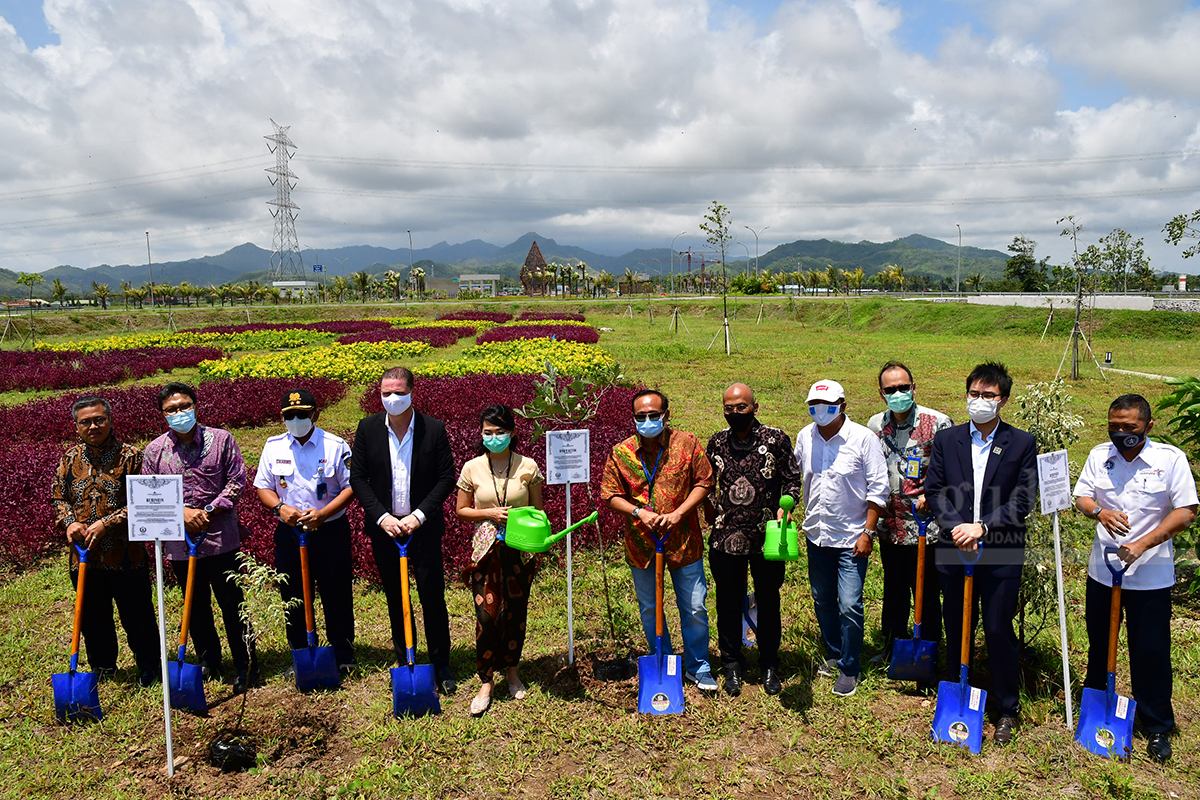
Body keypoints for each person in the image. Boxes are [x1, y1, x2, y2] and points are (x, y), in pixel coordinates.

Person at [1072, 394, 1197, 763]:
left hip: (1150, 576)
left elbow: (1186, 511)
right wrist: (1100, 512)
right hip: (1103, 573)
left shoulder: (1169, 460)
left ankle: (1156, 725)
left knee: (1151, 651)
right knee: (1099, 644)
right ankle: (1096, 710)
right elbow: (1082, 496)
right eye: (1114, 427)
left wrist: (1143, 543)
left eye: (1130, 428)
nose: (1121, 434)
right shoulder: (1099, 455)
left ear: (1148, 426)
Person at [924, 361, 1037, 744]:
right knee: (956, 623)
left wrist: (983, 527)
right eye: (974, 394)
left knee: (997, 627)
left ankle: (1006, 708)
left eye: (988, 395)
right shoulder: (947, 439)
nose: (980, 401)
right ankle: (957, 691)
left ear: (1003, 400)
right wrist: (958, 527)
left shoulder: (1021, 443)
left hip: (1000, 549)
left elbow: (1023, 497)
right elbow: (936, 489)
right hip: (955, 546)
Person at [349, 366, 458, 694]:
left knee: (431, 596)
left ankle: (441, 663)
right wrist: (383, 518)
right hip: (386, 528)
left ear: (412, 392)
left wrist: (419, 516)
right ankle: (404, 657)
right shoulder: (367, 429)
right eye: (386, 393)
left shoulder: (433, 429)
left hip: (421, 528)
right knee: (397, 598)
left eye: (398, 392)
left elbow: (445, 479)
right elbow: (358, 479)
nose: (392, 398)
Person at [143, 382, 257, 694]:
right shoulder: (155, 452)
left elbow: (236, 481)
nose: (179, 413)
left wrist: (208, 509)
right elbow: (150, 495)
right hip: (180, 544)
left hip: (221, 538)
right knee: (195, 605)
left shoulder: (221, 440)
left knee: (233, 604)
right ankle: (209, 660)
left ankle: (246, 663)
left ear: (195, 406)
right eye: (171, 410)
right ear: (162, 414)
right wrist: (181, 513)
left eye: (184, 406)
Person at [601, 389, 718, 692]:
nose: (648, 420)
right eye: (641, 416)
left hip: (683, 541)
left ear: (667, 414)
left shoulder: (687, 444)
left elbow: (705, 482)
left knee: (694, 607)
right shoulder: (621, 452)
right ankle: (663, 660)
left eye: (654, 415)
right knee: (650, 608)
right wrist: (639, 512)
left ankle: (698, 666)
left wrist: (680, 513)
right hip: (642, 545)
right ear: (634, 418)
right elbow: (610, 494)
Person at [50, 395, 160, 686]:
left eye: (99, 419)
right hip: (85, 557)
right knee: (93, 617)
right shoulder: (69, 458)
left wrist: (107, 523)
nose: (93, 426)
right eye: (85, 422)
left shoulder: (133, 456)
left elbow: (146, 501)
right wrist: (70, 522)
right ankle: (103, 666)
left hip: (127, 555)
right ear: (76, 427)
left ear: (110, 420)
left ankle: (149, 666)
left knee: (138, 615)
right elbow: (58, 497)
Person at [704, 382, 801, 697]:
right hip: (725, 537)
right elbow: (706, 482)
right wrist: (707, 506)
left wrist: (787, 507)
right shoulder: (717, 442)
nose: (735, 413)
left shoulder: (776, 440)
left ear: (754, 407)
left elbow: (791, 479)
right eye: (729, 408)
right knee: (728, 602)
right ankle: (732, 663)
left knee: (769, 600)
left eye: (741, 407)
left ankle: (769, 662)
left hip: (767, 538)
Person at [793, 379, 888, 697]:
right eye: (814, 407)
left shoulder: (863, 439)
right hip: (816, 535)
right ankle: (834, 653)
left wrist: (868, 532)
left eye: (828, 407)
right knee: (822, 599)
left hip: (852, 538)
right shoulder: (805, 437)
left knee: (849, 603)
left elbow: (878, 489)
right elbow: (796, 478)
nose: (820, 412)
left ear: (843, 406)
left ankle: (850, 667)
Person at [253, 388, 357, 677]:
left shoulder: (336, 446)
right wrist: (279, 509)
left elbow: (351, 486)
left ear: (316, 414)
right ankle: (300, 651)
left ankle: (343, 652)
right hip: (289, 532)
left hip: (330, 530)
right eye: (290, 416)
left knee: (336, 593)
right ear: (282, 418)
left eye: (302, 415)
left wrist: (323, 514)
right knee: (294, 596)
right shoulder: (274, 446)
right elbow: (263, 486)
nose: (297, 420)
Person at [454, 404, 544, 716]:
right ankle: (486, 680)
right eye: (488, 433)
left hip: (519, 548)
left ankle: (513, 672)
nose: (494, 438)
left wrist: (533, 531)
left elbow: (538, 509)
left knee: (515, 613)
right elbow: (461, 510)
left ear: (513, 432)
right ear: (481, 434)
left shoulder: (528, 467)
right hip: (485, 551)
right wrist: (490, 513)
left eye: (500, 432)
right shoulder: (472, 468)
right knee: (487, 616)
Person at [866, 361, 951, 674]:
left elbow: (950, 470)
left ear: (914, 388)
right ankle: (892, 645)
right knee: (894, 589)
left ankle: (929, 650)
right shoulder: (875, 425)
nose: (898, 393)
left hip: (927, 528)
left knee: (928, 592)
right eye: (891, 390)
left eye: (903, 387)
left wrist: (935, 493)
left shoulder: (938, 422)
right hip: (891, 525)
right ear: (881, 393)